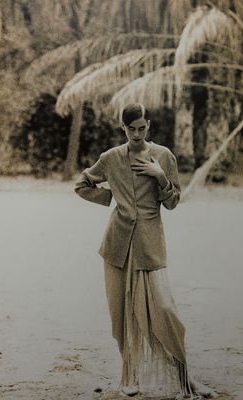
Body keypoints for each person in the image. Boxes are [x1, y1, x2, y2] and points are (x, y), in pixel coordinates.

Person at [74, 103, 216, 399]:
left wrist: (160, 175)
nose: (137, 134)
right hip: (117, 247)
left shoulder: (164, 156)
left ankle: (184, 379)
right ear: (122, 128)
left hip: (150, 246)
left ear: (148, 125)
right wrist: (110, 197)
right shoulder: (110, 158)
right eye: (131, 129)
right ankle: (129, 376)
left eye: (142, 128)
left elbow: (174, 201)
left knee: (164, 312)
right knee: (122, 315)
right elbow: (82, 184)